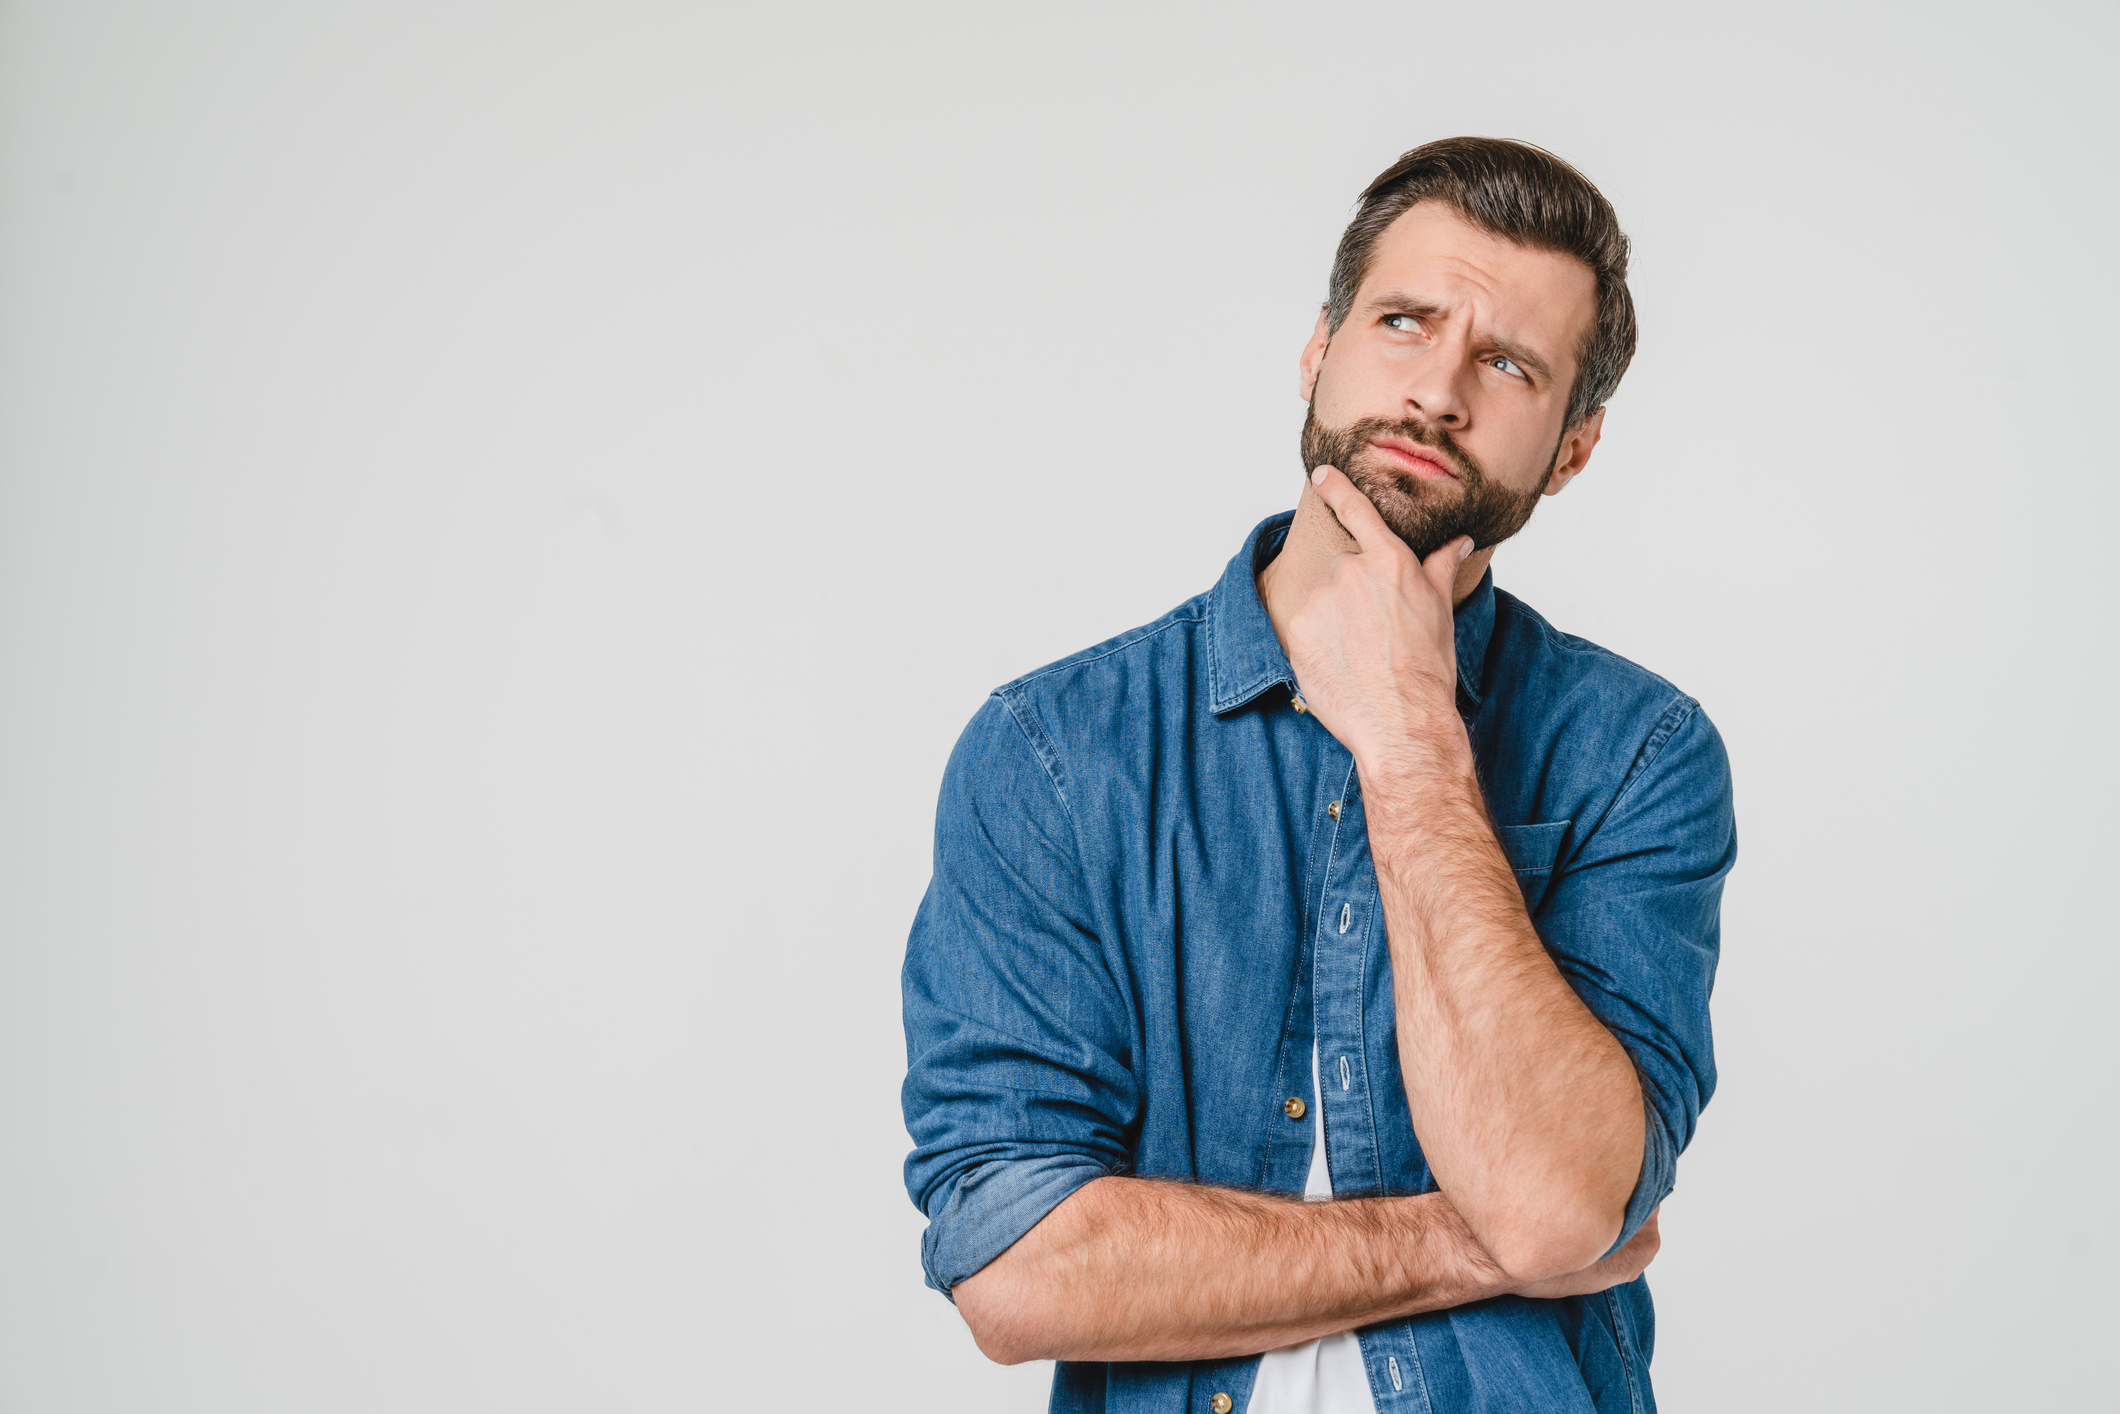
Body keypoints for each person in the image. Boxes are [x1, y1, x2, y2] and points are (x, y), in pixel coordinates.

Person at [900, 136, 1736, 1414]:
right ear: (1318, 349)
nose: (1437, 391)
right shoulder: (1055, 751)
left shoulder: (1637, 753)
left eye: (1506, 363)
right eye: (1403, 322)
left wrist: (1409, 733)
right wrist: (1473, 1245)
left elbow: (1559, 1195)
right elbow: (1018, 1271)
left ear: (1571, 447)